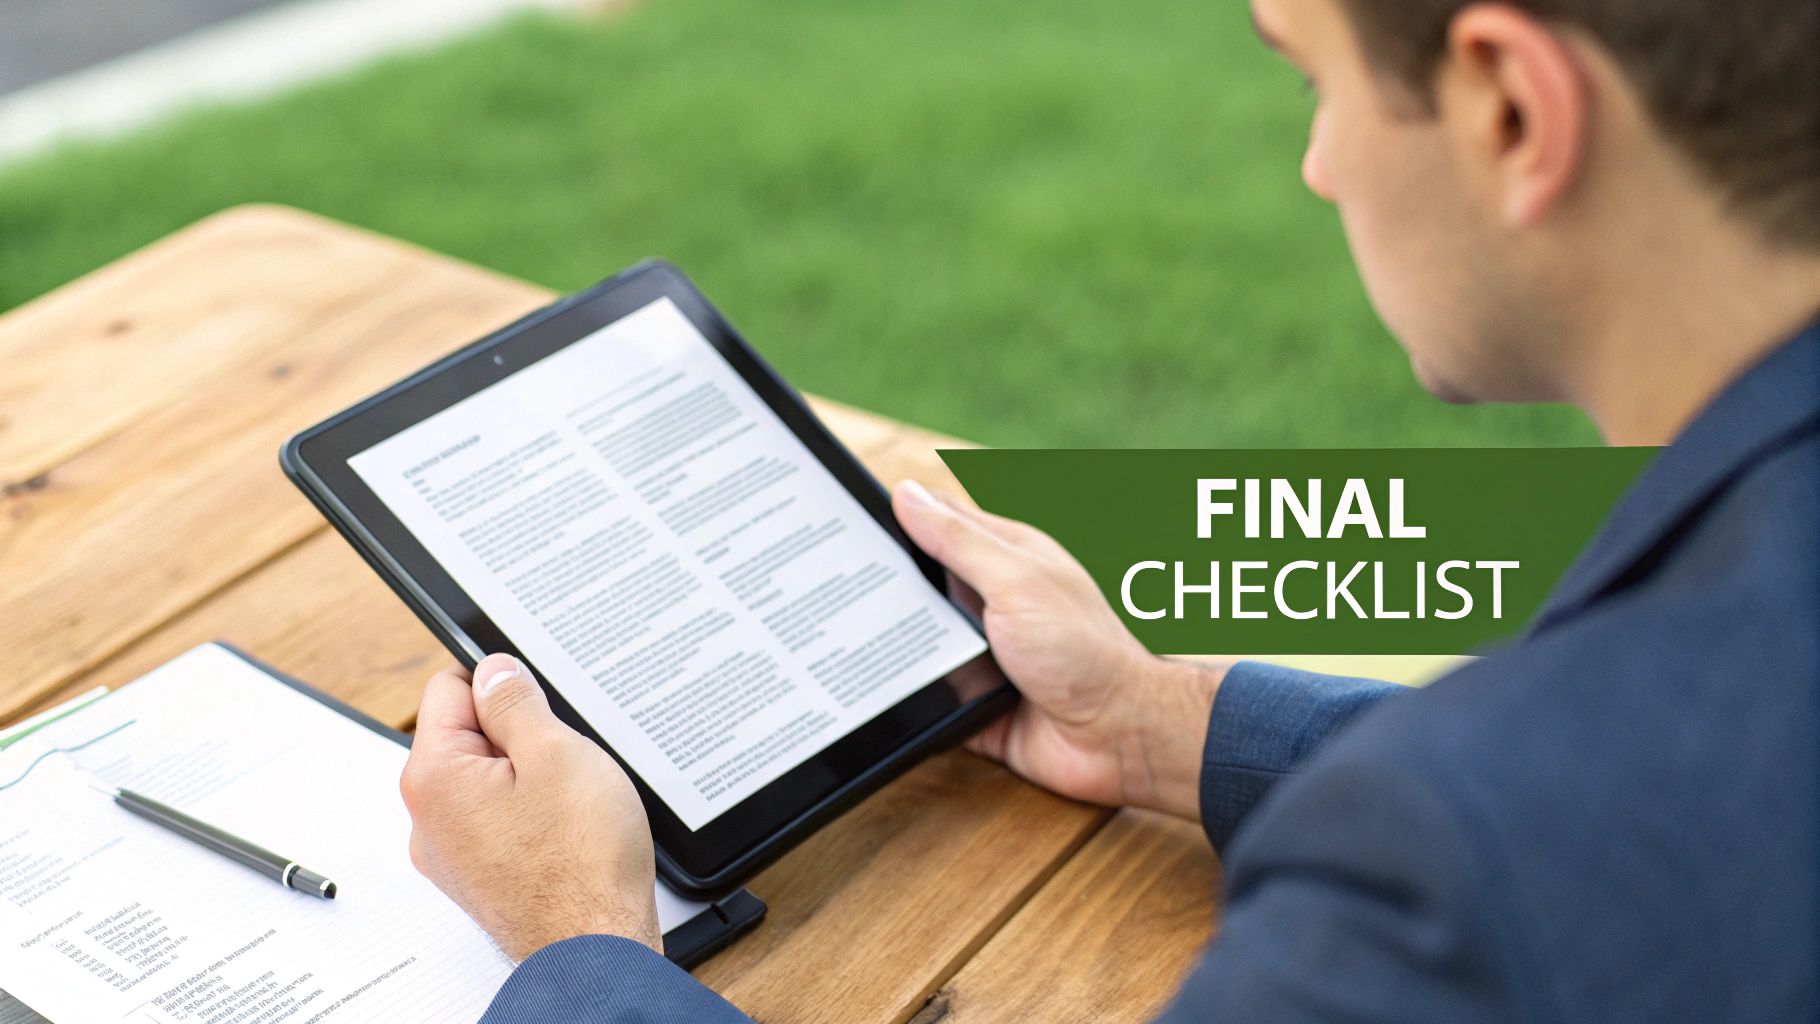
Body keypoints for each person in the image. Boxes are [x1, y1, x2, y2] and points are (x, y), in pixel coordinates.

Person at [399, 0, 1820, 1019]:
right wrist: (1162, 722)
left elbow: (1570, 826)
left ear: (1511, 108)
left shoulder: (1461, 856)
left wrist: (582, 945)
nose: (1319, 164)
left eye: (1311, 76)